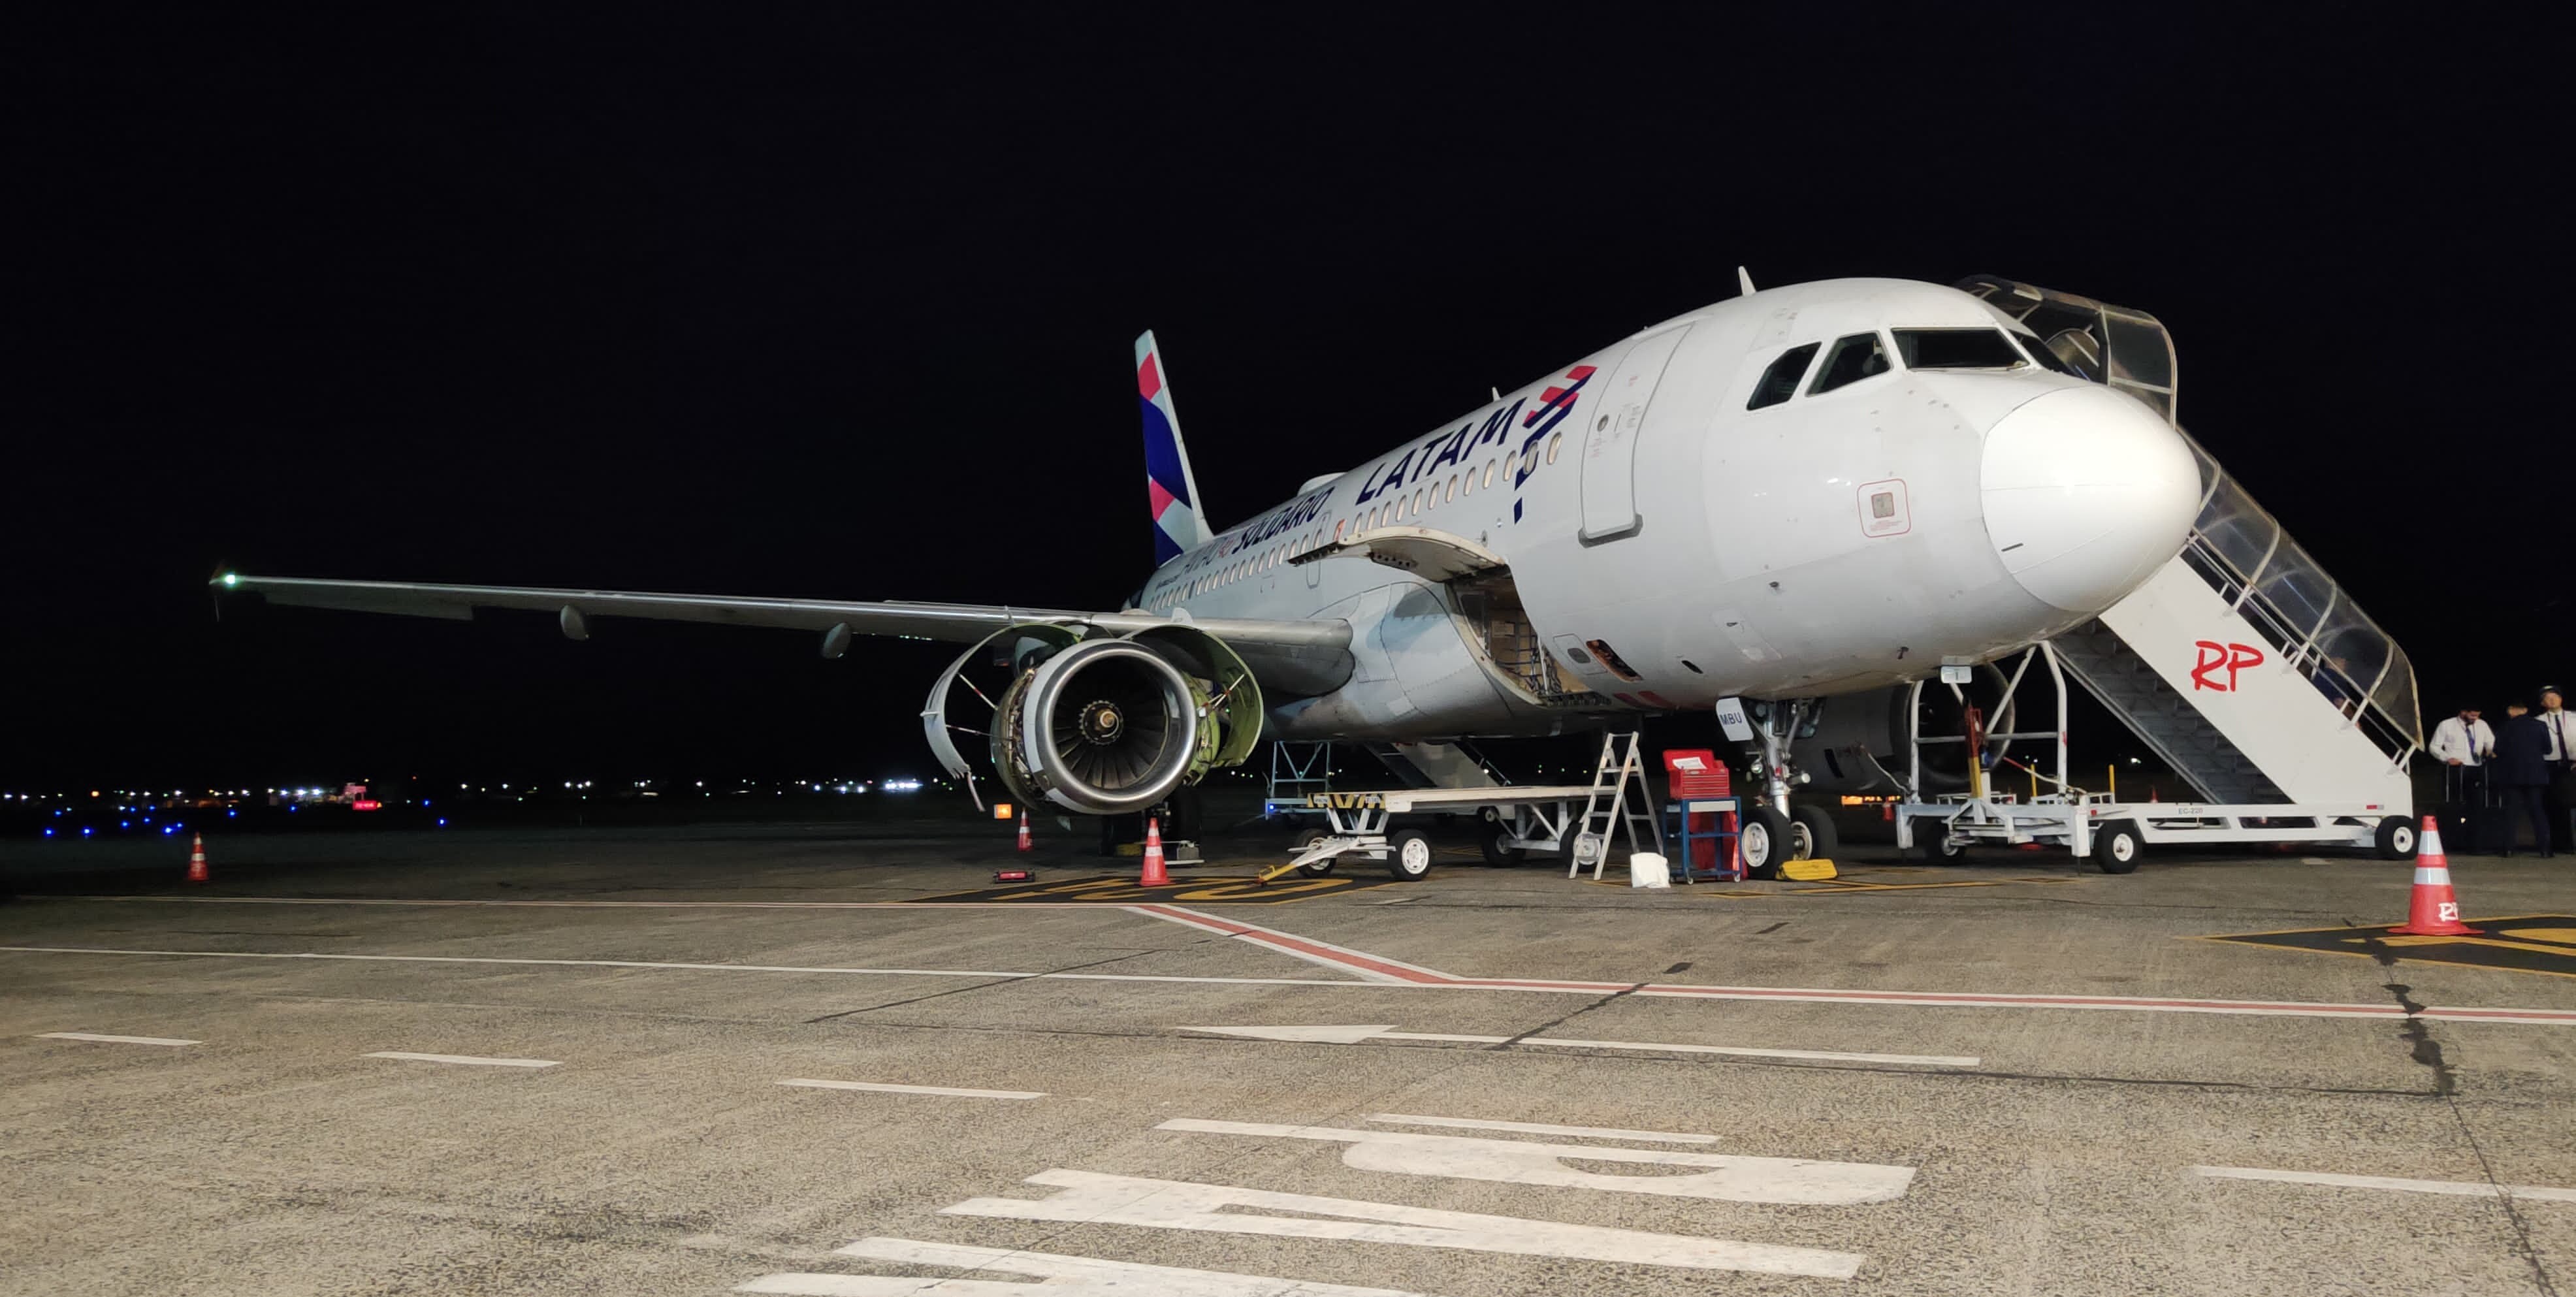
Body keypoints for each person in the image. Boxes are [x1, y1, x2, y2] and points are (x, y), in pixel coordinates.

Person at [2490, 699, 2554, 858]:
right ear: (2525, 710)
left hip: (2512, 775)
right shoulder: (2540, 725)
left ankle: (2508, 848)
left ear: (2511, 710)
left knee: (2511, 812)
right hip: (2536, 775)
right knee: (2537, 811)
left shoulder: (2505, 727)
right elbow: (2548, 749)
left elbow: (2498, 749)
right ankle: (2545, 849)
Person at [2429, 705, 2495, 805]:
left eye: (2477, 716)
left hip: (2477, 768)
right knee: (2456, 802)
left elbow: (2490, 742)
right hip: (2456, 769)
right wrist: (2447, 758)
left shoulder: (2482, 725)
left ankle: (2475, 820)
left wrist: (2491, 752)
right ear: (2463, 712)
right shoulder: (2446, 725)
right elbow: (2434, 747)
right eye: (2472, 715)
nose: (2475, 719)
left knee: (2477, 801)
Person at [2539, 686, 2573, 851]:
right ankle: (2559, 843)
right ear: (2542, 703)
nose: (2552, 700)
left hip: (2573, 765)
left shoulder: (2574, 718)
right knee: (2554, 805)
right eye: (2548, 698)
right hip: (2550, 765)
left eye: (2555, 696)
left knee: (2570, 805)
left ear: (2561, 699)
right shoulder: (2538, 721)